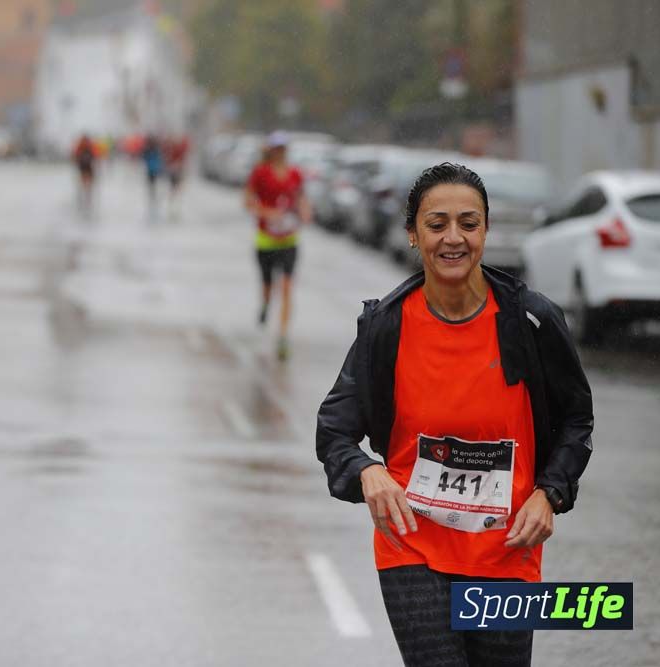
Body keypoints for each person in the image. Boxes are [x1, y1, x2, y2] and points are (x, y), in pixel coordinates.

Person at [315, 163, 594, 667]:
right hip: (412, 547)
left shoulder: (531, 321)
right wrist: (367, 471)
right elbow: (334, 429)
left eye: (468, 224)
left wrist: (549, 494)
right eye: (436, 224)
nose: (453, 238)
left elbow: (577, 421)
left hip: (508, 551)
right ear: (412, 234)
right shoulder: (386, 326)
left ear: (485, 231)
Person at [244, 131, 311, 361]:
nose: (281, 152)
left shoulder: (295, 174)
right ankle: (264, 304)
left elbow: (301, 198)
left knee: (287, 287)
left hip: (289, 240)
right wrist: (267, 212)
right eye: (277, 148)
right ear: (271, 150)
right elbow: (247, 202)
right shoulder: (260, 173)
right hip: (265, 240)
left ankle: (283, 336)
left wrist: (305, 212)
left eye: (284, 148)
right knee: (268, 286)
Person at [164, 134, 190, 219]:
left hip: (177, 170)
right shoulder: (172, 147)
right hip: (175, 170)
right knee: (174, 190)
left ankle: (175, 208)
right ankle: (173, 208)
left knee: (176, 189)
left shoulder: (178, 147)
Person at [72, 133, 96, 214]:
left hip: (82, 166)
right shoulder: (89, 145)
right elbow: (95, 155)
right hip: (88, 166)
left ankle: (83, 196)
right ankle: (87, 196)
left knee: (84, 182)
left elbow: (75, 155)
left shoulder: (80, 145)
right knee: (88, 183)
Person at [141, 133, 164, 217]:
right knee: (153, 184)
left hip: (151, 170)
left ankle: (153, 195)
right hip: (153, 169)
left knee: (152, 184)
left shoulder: (150, 149)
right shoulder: (153, 149)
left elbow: (144, 158)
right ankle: (153, 196)